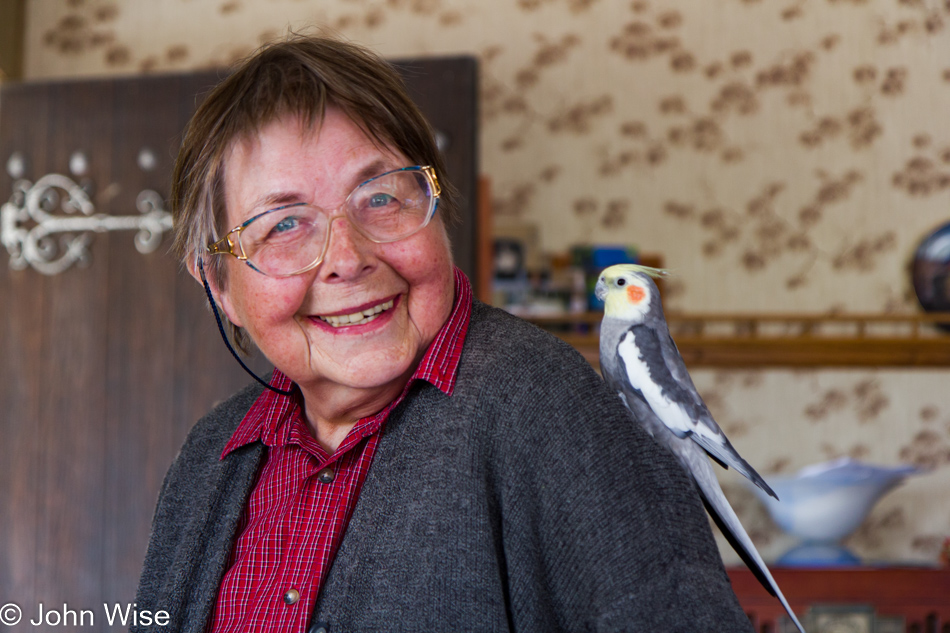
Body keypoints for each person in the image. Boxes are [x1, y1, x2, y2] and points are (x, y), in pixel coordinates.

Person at [132, 34, 753, 633]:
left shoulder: (556, 410)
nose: (346, 258)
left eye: (380, 198)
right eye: (285, 223)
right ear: (217, 282)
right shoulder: (211, 455)